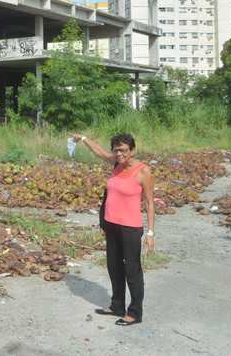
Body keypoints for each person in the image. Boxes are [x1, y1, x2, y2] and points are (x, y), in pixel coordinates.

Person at [72, 132, 155, 326]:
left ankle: (134, 313)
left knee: (132, 270)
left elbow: (150, 203)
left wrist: (150, 233)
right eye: (116, 150)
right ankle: (117, 305)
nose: (119, 153)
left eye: (124, 150)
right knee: (114, 266)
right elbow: (99, 152)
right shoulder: (116, 163)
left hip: (130, 228)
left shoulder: (143, 171)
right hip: (111, 225)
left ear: (132, 150)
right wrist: (83, 139)